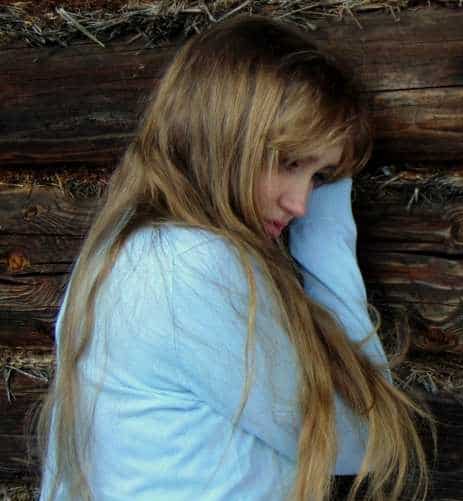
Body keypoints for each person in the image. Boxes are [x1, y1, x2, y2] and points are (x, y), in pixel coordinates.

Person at [35, 15, 435, 501]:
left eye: (321, 178)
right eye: (289, 162)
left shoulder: (127, 246)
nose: (299, 203)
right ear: (222, 138)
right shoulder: (192, 265)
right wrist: (325, 233)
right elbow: (358, 437)